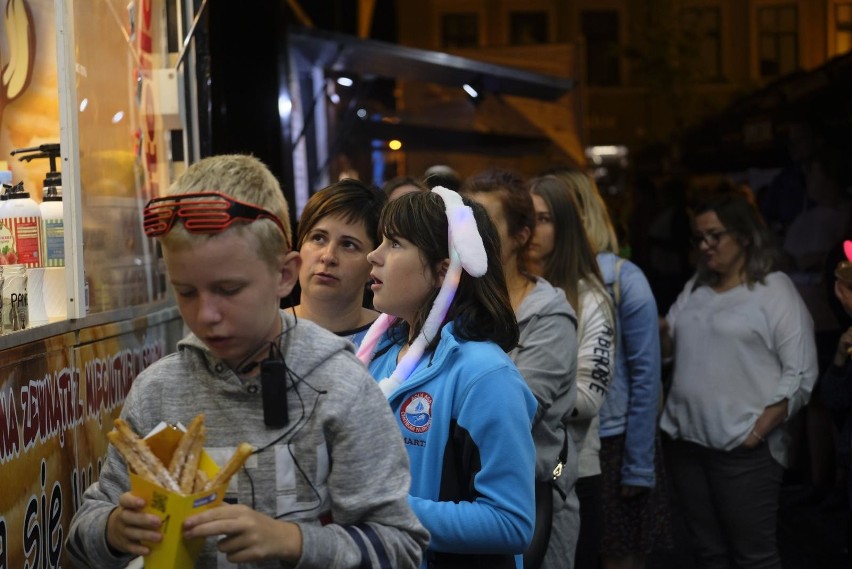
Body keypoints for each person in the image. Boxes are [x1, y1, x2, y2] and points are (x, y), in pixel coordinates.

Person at [65, 155, 429, 569]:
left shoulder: (341, 386)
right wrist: (113, 531)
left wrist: (294, 541)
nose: (207, 315)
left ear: (284, 275)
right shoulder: (158, 391)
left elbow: (400, 546)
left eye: (229, 289)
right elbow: (82, 539)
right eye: (186, 292)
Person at [356, 188, 537, 568]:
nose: (374, 255)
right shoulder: (381, 357)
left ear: (443, 271)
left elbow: (511, 523)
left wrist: (382, 510)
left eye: (394, 243)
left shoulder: (485, 375)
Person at [659, 186, 818, 569]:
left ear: (743, 236)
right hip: (686, 444)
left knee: (754, 558)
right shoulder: (696, 288)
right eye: (699, 237)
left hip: (743, 451)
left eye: (715, 235)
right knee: (708, 554)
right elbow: (668, 351)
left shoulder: (772, 290)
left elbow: (801, 372)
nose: (706, 246)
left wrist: (758, 431)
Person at [545, 170, 673, 569]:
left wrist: (638, 465)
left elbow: (645, 376)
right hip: (568, 444)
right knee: (573, 546)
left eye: (551, 215)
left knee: (618, 554)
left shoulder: (621, 277)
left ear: (580, 215)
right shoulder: (543, 277)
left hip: (617, 442)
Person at [461, 169, 579, 569]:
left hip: (529, 498)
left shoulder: (548, 316)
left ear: (520, 236)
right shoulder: (453, 306)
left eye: (485, 224)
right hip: (462, 497)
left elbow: (514, 411)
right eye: (463, 221)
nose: (468, 235)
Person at [526, 175, 616, 569]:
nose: (532, 230)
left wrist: (516, 395)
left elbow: (589, 398)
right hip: (515, 469)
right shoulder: (506, 291)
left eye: (544, 219)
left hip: (572, 467)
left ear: (564, 226)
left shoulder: (590, 297)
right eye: (527, 218)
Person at [292, 178, 385, 345]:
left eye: (348, 245)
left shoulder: (396, 345)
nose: (328, 256)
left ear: (374, 264)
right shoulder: (260, 335)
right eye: (318, 238)